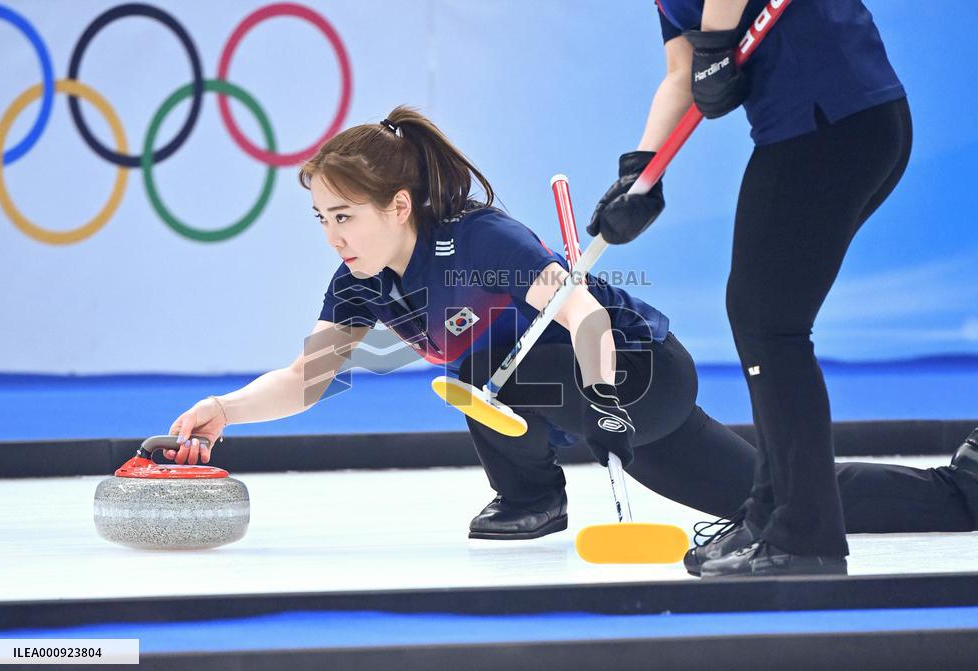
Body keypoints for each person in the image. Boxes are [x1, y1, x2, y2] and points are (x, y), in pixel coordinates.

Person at [166, 106, 978, 578]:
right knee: (772, 495)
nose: (333, 234)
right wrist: (226, 409)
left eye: (345, 215)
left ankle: (534, 496)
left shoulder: (478, 242)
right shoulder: (361, 285)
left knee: (477, 364)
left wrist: (604, 398)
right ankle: (957, 490)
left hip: (641, 375)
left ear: (400, 206)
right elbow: (310, 379)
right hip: (585, 410)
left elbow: (585, 315)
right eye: (322, 219)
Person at [586, 0, 923, 576]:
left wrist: (718, 39)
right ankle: (772, 513)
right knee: (760, 318)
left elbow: (711, 46)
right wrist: (642, 170)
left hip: (836, 119)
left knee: (770, 323)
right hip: (814, 127)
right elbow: (682, 72)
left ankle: (804, 534)